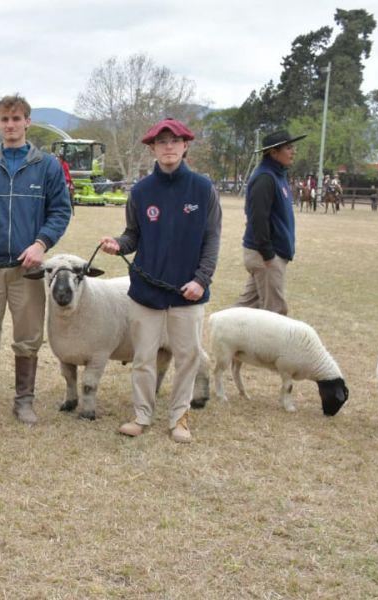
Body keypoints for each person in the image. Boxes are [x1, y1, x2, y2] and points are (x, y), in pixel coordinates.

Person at [98, 118, 221, 443]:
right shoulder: (141, 191)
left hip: (188, 292)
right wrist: (117, 244)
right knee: (143, 358)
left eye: (174, 141)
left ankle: (179, 418)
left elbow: (212, 239)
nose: (168, 146)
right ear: (152, 148)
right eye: (162, 142)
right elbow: (133, 235)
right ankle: (141, 415)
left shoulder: (203, 189)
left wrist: (201, 279)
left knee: (187, 357)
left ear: (185, 145)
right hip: (146, 291)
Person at [0, 94, 72, 425]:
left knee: (29, 336)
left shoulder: (47, 167)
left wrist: (41, 243)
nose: (10, 125)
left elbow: (60, 211)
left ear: (27, 122)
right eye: (4, 120)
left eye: (16, 119)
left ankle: (24, 401)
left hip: (28, 269)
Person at [234, 129, 304, 316]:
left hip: (267, 254)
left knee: (247, 307)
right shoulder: (265, 178)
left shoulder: (277, 175)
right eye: (288, 148)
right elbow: (257, 217)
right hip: (265, 255)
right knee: (275, 312)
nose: (293, 151)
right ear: (273, 152)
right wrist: (268, 254)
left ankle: (224, 330)